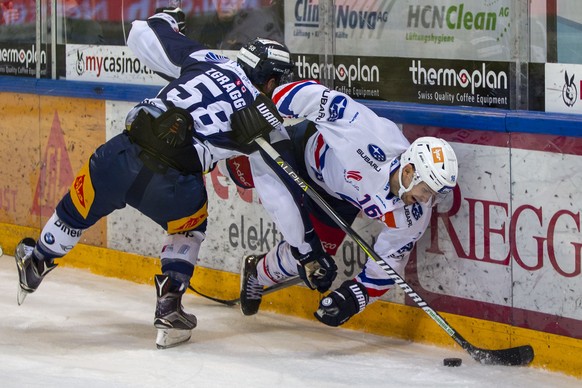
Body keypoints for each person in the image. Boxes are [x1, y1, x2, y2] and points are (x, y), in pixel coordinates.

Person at [13, 7, 294, 349]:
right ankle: (169, 305)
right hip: (175, 187)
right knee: (190, 227)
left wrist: (167, 19)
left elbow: (141, 33)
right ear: (272, 80)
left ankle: (39, 258)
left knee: (80, 204)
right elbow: (261, 180)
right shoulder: (268, 118)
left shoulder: (209, 59)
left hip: (121, 157)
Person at [238, 80, 459, 327]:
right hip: (299, 152)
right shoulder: (370, 134)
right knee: (240, 170)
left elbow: (390, 262)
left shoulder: (415, 213)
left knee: (312, 259)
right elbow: (318, 96)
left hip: (336, 197)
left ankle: (256, 272)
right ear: (409, 171)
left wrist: (354, 298)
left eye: (433, 194)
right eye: (426, 190)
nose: (427, 200)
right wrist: (265, 108)